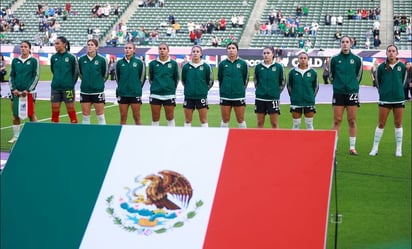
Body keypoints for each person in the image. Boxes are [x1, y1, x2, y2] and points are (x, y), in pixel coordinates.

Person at [369, 45, 407, 157]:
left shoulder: (402, 67)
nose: (391, 53)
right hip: (385, 99)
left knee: (398, 123)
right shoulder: (381, 67)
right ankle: (375, 148)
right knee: (381, 123)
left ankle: (398, 149)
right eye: (389, 51)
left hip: (398, 98)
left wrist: (399, 91)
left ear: (397, 53)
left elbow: (404, 82)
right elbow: (378, 82)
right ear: (386, 53)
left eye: (393, 51)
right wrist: (383, 92)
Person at [330, 36, 363, 155]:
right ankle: (333, 147)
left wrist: (352, 86)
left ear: (351, 44)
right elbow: (331, 75)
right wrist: (338, 85)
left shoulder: (357, 59)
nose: (345, 44)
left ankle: (352, 147)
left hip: (352, 92)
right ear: (340, 44)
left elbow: (358, 76)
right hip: (338, 92)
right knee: (337, 120)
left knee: (352, 120)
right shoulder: (334, 59)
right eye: (343, 42)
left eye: (347, 42)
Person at [7, 41, 39, 143]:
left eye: (25, 47)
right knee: (15, 114)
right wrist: (13, 89)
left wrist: (28, 89)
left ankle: (35, 135)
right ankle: (16, 136)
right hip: (16, 92)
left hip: (29, 93)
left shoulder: (34, 61)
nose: (23, 48)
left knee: (31, 114)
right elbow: (11, 75)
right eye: (21, 47)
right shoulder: (15, 61)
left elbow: (36, 76)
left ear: (30, 48)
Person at [181, 45, 213, 127]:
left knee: (203, 120)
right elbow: (183, 80)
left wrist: (204, 90)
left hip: (201, 96)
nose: (195, 53)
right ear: (191, 53)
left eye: (197, 52)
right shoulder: (186, 66)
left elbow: (210, 81)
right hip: (189, 96)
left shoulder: (206, 66)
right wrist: (189, 88)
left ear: (201, 54)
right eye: (194, 51)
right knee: (188, 121)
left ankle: (205, 139)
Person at [218, 42, 249, 128]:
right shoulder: (222, 64)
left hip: (239, 95)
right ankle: (223, 139)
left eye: (233, 48)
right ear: (226, 50)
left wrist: (240, 89)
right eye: (229, 48)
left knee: (240, 119)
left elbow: (245, 79)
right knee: (225, 119)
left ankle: (243, 140)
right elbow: (220, 78)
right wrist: (224, 88)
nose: (231, 50)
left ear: (237, 50)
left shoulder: (243, 63)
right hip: (225, 96)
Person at [78, 39, 108, 125]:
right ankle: (86, 136)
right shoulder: (81, 59)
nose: (90, 46)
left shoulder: (102, 59)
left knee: (100, 116)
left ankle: (103, 135)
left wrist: (98, 83)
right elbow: (80, 73)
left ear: (96, 47)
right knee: (85, 116)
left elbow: (105, 75)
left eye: (92, 45)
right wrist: (86, 81)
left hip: (97, 91)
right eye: (88, 44)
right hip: (85, 91)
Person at [254, 46, 285, 128]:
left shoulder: (279, 67)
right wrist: (260, 91)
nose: (266, 55)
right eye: (264, 53)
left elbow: (282, 81)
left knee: (274, 123)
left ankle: (276, 140)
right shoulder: (258, 67)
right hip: (260, 98)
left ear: (272, 54)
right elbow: (255, 81)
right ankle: (259, 140)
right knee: (260, 123)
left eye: (268, 53)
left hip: (273, 99)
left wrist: (276, 92)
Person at [148, 42, 179, 126]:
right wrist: (156, 87)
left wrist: (170, 88)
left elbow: (176, 78)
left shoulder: (173, 64)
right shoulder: (152, 64)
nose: (162, 51)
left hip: (169, 94)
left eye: (164, 49)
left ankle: (172, 137)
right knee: (155, 118)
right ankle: (154, 137)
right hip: (155, 94)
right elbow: (151, 78)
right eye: (160, 49)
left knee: (170, 117)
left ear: (168, 51)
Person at [50, 36, 79, 123]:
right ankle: (54, 130)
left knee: (70, 109)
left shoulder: (71, 57)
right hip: (55, 88)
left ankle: (74, 129)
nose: (55, 45)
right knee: (55, 109)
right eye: (55, 44)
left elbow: (76, 73)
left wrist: (70, 84)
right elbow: (53, 70)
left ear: (64, 44)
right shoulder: (53, 57)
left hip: (68, 88)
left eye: (57, 43)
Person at [115, 42, 146, 125]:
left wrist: (136, 88)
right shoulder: (119, 63)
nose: (127, 50)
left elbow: (142, 78)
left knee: (137, 117)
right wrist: (122, 87)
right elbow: (117, 78)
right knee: (123, 117)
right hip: (123, 93)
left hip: (135, 93)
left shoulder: (140, 62)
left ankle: (139, 137)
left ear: (134, 50)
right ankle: (121, 137)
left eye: (130, 48)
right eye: (126, 48)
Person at [287, 52, 318, 130]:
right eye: (301, 58)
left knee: (309, 124)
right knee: (296, 124)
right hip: (296, 101)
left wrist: (310, 96)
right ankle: (295, 142)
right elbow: (289, 86)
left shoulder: (313, 72)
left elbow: (316, 87)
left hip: (309, 101)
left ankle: (310, 142)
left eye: (305, 58)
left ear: (308, 60)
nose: (303, 60)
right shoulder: (292, 72)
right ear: (298, 60)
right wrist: (294, 96)